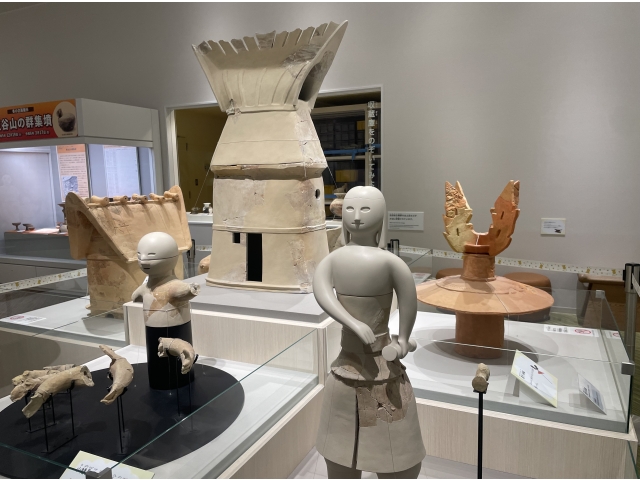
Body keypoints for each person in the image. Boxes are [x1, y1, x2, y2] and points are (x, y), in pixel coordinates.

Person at [314, 186, 425, 479]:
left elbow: (408, 301)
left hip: (383, 367)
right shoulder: (334, 259)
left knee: (401, 462)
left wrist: (403, 340)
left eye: (365, 209)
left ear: (380, 214)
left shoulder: (390, 262)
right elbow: (321, 291)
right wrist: (352, 322)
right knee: (338, 459)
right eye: (350, 209)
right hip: (346, 367)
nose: (356, 216)